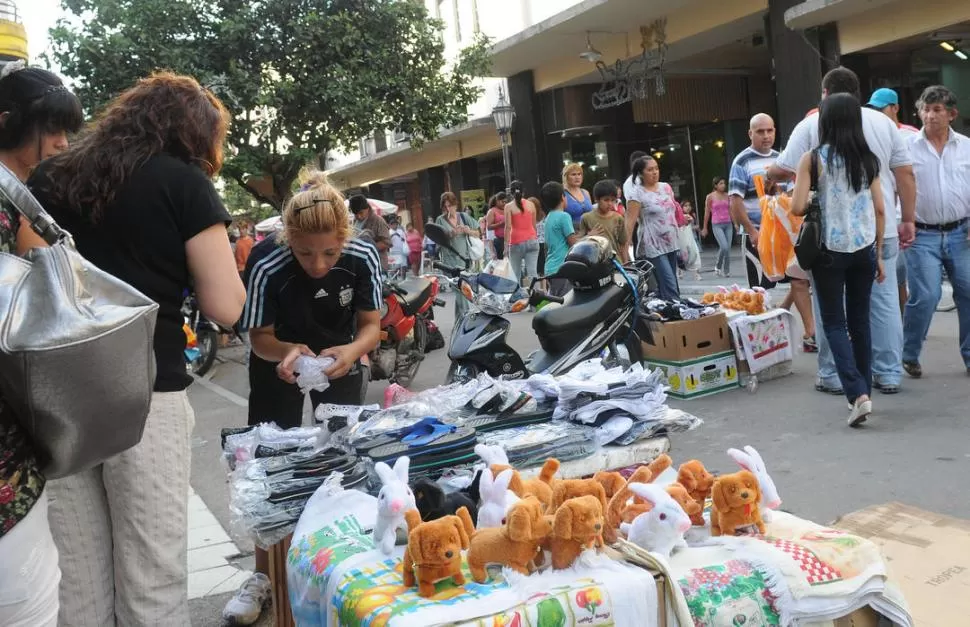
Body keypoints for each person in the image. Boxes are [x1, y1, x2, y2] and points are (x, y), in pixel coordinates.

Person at [29, 72, 246, 626]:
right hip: (145, 393)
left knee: (78, 579)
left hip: (54, 399)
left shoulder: (50, 176)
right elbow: (226, 307)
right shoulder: (183, 184)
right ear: (196, 136)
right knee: (152, 575)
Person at [234, 172, 381, 623]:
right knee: (268, 467)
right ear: (287, 240)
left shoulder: (361, 255)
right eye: (304, 253)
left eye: (329, 253)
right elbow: (258, 336)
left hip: (339, 358)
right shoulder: (266, 261)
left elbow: (371, 326)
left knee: (347, 459)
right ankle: (262, 575)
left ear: (345, 238)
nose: (318, 265)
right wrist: (287, 353)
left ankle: (351, 559)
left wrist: (352, 352)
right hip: (278, 362)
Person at [770, 67, 916, 393]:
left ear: (825, 95)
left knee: (830, 311)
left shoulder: (811, 126)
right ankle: (888, 373)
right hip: (879, 233)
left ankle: (834, 375)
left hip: (828, 240)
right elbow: (905, 173)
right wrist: (908, 217)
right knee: (882, 304)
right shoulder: (883, 124)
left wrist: (785, 182)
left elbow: (783, 169)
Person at [0, 62, 81, 627]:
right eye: (50, 127)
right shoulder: (11, 205)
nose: (61, 141)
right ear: (7, 123)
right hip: (6, 469)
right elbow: (60, 283)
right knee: (26, 607)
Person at [790, 93, 886, 427]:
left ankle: (857, 394)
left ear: (825, 122)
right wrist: (879, 256)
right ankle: (865, 392)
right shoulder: (868, 159)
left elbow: (797, 207)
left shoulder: (812, 160)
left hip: (828, 252)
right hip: (863, 249)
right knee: (860, 321)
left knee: (833, 323)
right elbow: (880, 209)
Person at [731, 113, 818, 352]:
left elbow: (793, 195)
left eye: (770, 130)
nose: (766, 136)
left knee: (800, 280)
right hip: (759, 234)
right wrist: (751, 232)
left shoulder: (783, 159)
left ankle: (810, 334)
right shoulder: (742, 162)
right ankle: (760, 343)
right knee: (760, 291)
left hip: (787, 235)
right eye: (760, 131)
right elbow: (735, 201)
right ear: (750, 134)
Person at [902, 85, 970, 379]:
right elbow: (895, 189)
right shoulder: (906, 148)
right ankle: (909, 353)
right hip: (922, 234)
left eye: (937, 110)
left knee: (968, 293)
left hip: (961, 233)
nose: (930, 116)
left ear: (952, 114)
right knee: (926, 295)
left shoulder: (966, 147)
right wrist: (900, 221)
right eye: (925, 110)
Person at [867, 87, 919, 316]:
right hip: (885, 215)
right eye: (875, 108)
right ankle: (898, 321)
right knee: (891, 276)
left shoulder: (911, 134)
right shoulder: (871, 131)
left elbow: (910, 174)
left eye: (882, 108)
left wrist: (910, 215)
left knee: (903, 275)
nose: (878, 112)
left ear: (896, 108)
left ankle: (904, 320)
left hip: (905, 213)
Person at [625, 156, 680, 299]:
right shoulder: (636, 193)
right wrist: (625, 247)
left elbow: (673, 208)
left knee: (670, 282)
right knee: (670, 284)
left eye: (656, 168)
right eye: (650, 170)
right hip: (652, 243)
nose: (655, 172)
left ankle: (664, 313)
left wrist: (683, 219)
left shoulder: (666, 187)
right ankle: (676, 312)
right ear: (640, 173)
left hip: (671, 241)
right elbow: (629, 221)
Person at [436, 191, 480, 320]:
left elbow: (478, 232)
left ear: (456, 204)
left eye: (451, 205)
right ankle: (466, 319)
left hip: (464, 259)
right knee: (460, 290)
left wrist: (468, 231)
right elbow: (438, 239)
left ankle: (459, 320)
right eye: (446, 206)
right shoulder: (440, 219)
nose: (449, 209)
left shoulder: (464, 217)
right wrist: (451, 233)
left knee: (462, 291)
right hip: (449, 261)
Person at [540, 181, 578, 297]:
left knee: (556, 302)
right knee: (566, 303)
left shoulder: (548, 218)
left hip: (551, 267)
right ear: (562, 197)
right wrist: (590, 236)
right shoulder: (564, 216)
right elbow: (574, 245)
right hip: (563, 268)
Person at [579, 179, 629, 263]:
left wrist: (626, 264)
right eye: (606, 200)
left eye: (613, 200)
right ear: (596, 199)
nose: (610, 203)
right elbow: (579, 244)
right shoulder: (586, 218)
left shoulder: (618, 218)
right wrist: (589, 236)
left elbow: (623, 244)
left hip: (615, 263)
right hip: (594, 263)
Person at [504, 180, 540, 285]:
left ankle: (517, 298)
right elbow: (534, 225)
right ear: (523, 191)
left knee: (515, 274)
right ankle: (536, 297)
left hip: (516, 242)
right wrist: (534, 237)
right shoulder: (531, 204)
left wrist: (505, 247)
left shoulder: (509, 206)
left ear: (511, 193)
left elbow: (508, 227)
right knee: (533, 273)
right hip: (532, 240)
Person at [702, 176, 734, 277]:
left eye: (724, 183)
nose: (723, 185)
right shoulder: (710, 197)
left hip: (728, 223)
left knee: (727, 248)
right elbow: (707, 212)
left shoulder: (728, 196)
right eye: (720, 183)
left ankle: (726, 270)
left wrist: (736, 223)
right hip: (717, 224)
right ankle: (718, 266)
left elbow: (731, 210)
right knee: (724, 246)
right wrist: (705, 227)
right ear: (715, 185)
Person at [350, 194, 390, 270]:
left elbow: (387, 243)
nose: (358, 216)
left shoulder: (378, 221)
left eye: (361, 213)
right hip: (359, 265)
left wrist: (365, 248)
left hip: (376, 265)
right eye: (355, 214)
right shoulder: (353, 222)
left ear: (367, 208)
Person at [677, 198, 702, 281]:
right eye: (685, 206)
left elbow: (691, 227)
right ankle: (680, 271)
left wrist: (698, 229)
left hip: (691, 238)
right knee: (683, 256)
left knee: (695, 254)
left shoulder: (692, 215)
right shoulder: (679, 216)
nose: (688, 207)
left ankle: (697, 274)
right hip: (682, 239)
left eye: (689, 205)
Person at [562, 162, 593, 228]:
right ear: (566, 177)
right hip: (572, 233)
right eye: (573, 174)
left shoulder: (585, 192)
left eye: (579, 174)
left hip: (589, 231)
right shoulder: (562, 193)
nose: (577, 177)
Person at [485, 192, 507, 260]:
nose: (504, 203)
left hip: (509, 239)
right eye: (502, 201)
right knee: (502, 261)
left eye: (505, 202)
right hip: (499, 239)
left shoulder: (507, 209)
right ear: (497, 201)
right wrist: (501, 224)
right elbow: (489, 227)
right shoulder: (492, 211)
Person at [531, 196, 547, 281]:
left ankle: (541, 285)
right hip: (543, 242)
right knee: (542, 265)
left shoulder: (530, 216)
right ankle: (544, 285)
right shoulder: (543, 214)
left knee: (538, 266)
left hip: (535, 242)